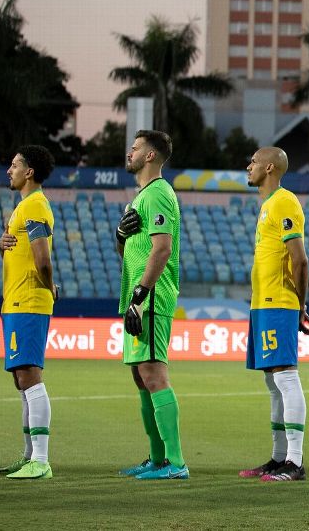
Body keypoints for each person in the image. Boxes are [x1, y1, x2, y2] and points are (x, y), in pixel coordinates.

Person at [115, 130, 189, 480]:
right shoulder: (139, 199)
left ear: (150, 156)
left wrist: (141, 297)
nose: (129, 152)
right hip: (136, 296)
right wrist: (120, 236)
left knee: (154, 374)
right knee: (140, 376)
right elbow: (132, 251)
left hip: (151, 297)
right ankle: (157, 458)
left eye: (135, 148)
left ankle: (176, 463)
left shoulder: (158, 193)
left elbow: (162, 249)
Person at [238, 147, 309, 482]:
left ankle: (295, 463)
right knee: (273, 382)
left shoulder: (284, 201)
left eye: (253, 162)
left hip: (280, 301)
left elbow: (299, 259)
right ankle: (279, 457)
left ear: (270, 167)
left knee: (285, 377)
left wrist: (300, 305)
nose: (248, 166)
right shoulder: (268, 205)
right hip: (263, 303)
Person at [0, 146, 58, 479]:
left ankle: (42, 461)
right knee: (22, 379)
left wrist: (49, 286)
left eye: (15, 164)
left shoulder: (34, 205)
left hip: (28, 302)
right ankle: (30, 455)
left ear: (29, 172)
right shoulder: (24, 207)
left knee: (30, 377)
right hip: (16, 302)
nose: (9, 169)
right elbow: (21, 250)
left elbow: (43, 258)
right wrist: (3, 243)